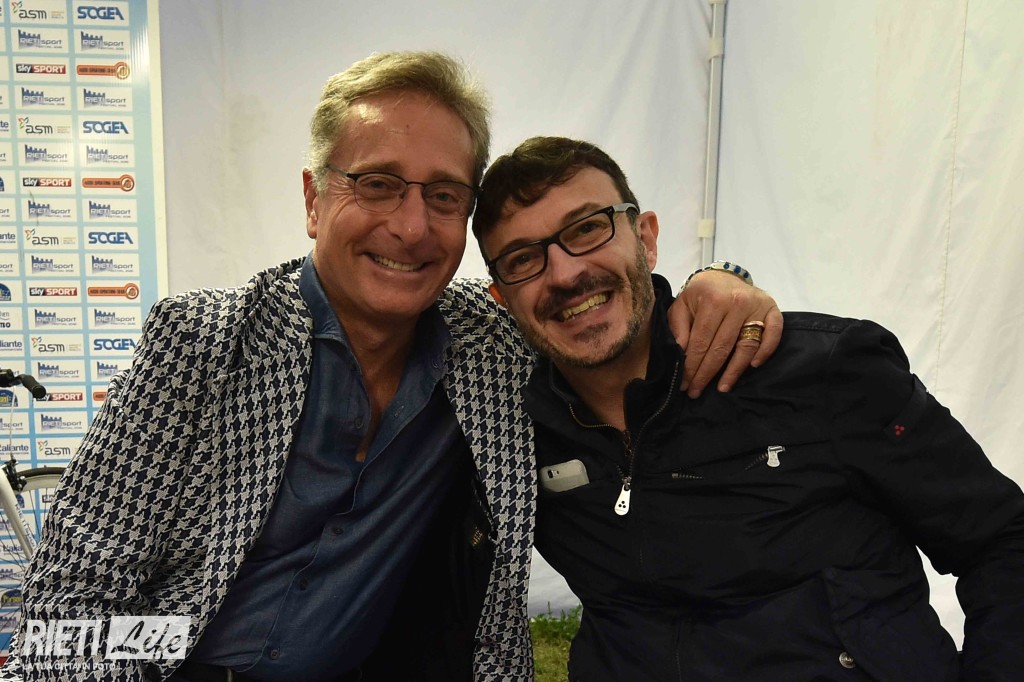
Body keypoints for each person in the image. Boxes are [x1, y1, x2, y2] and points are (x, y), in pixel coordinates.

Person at [1, 54, 782, 682]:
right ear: (314, 199)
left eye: (443, 196)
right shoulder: (204, 343)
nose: (411, 227)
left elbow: (602, 300)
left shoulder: (491, 340)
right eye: (377, 185)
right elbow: (64, 612)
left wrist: (720, 280)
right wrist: (177, 648)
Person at [472, 135, 1024, 681]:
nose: (565, 274)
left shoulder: (821, 373)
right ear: (502, 298)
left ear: (646, 238)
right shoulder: (511, 427)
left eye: (587, 229)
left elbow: (1001, 539)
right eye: (523, 259)